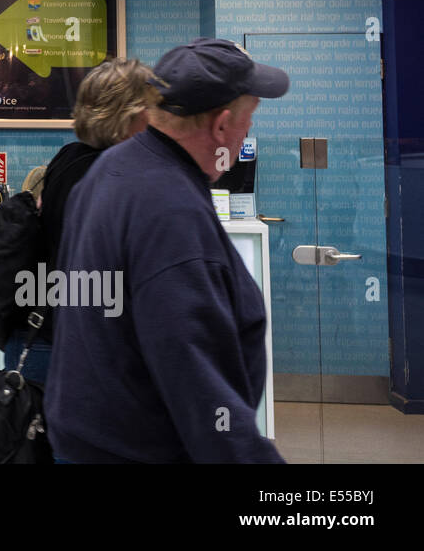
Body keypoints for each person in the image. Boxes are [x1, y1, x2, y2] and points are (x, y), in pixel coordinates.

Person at [45, 39, 289, 463]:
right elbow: (198, 382)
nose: (248, 133)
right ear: (221, 126)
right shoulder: (170, 210)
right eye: (249, 120)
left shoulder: (112, 169)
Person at [3, 58, 158, 385]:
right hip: (70, 344)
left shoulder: (70, 157)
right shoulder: (116, 173)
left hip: (41, 327)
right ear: (127, 113)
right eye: (149, 107)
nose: (156, 118)